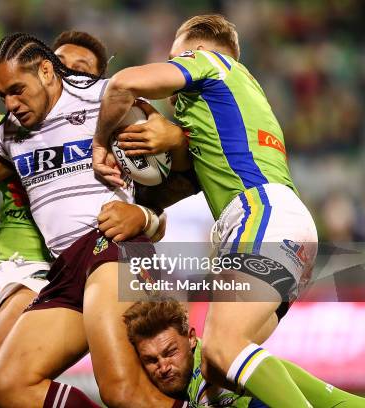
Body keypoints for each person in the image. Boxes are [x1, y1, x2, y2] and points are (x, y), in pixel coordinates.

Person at [0, 30, 169, 408]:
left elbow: (172, 160)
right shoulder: (11, 131)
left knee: (121, 391)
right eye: (2, 93)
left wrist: (170, 139)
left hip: (108, 248)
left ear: (46, 72)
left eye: (17, 90)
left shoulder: (107, 98)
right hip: (65, 268)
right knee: (10, 385)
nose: (11, 102)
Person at [94, 14, 319, 407]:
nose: (171, 69)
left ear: (194, 53)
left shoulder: (213, 64)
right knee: (218, 373)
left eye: (174, 58)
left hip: (259, 214)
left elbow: (122, 83)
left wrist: (100, 144)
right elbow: (175, 187)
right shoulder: (232, 108)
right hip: (286, 227)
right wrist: (176, 139)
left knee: (221, 347)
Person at [124, 300, 365, 407]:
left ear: (191, 339)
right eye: (151, 360)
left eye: (170, 352)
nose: (164, 366)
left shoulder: (216, 364)